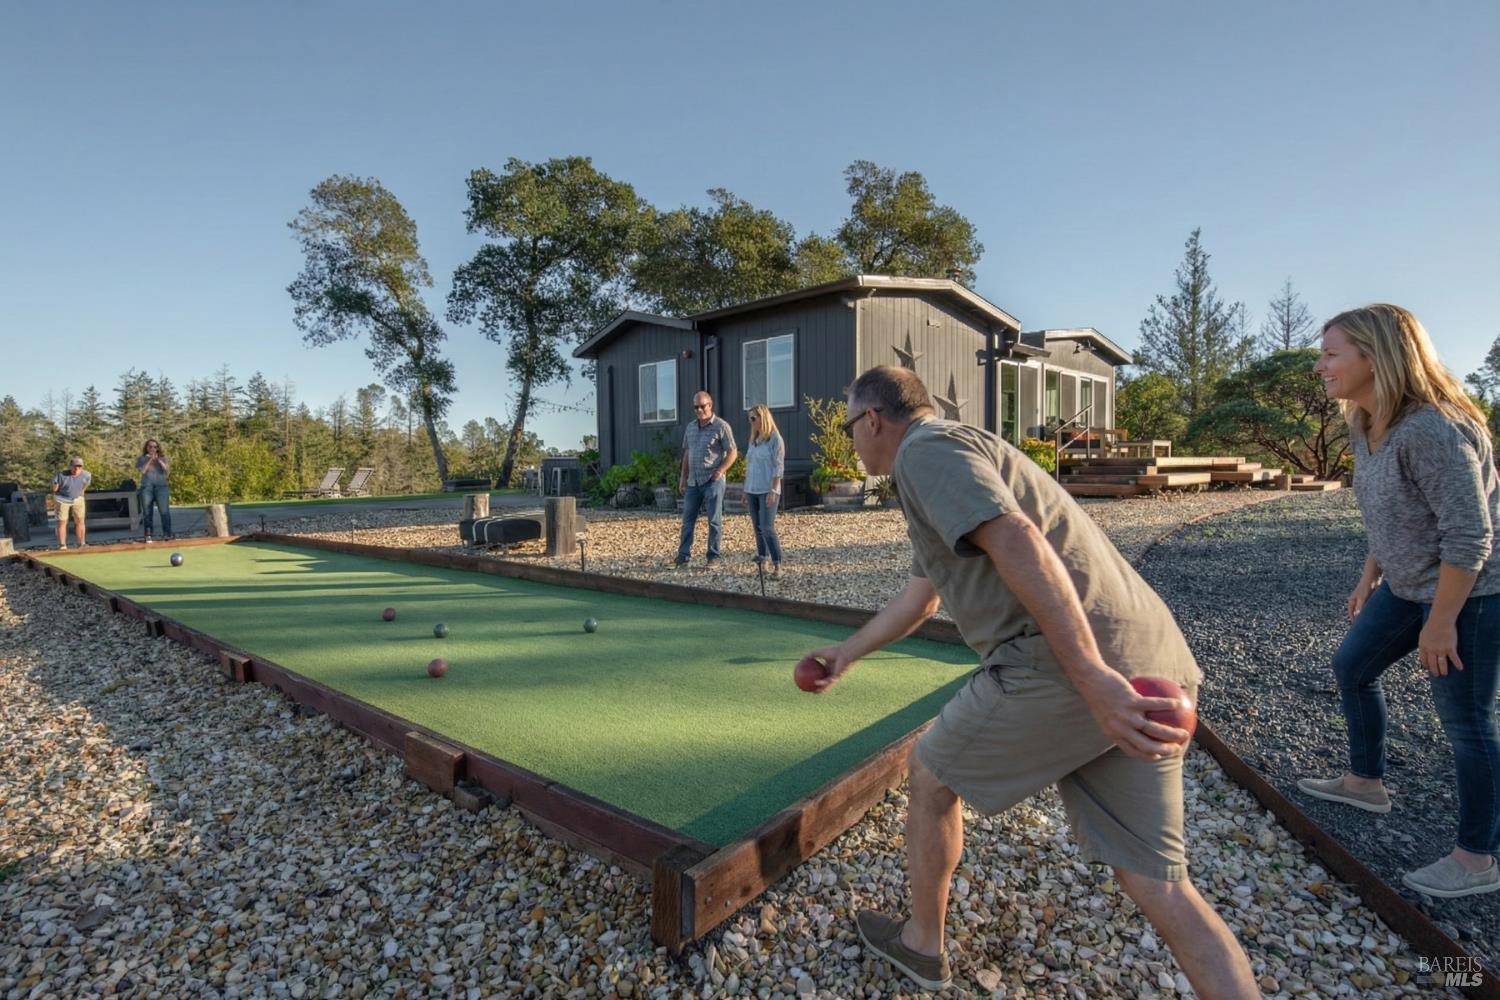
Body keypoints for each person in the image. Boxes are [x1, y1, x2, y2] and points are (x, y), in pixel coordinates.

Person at [801, 366, 1256, 997]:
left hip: (1067, 664)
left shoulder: (925, 453)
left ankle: (922, 946)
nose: (852, 442)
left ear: (873, 419)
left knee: (932, 775)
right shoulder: (961, 457)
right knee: (1160, 882)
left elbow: (1019, 541)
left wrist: (1092, 676)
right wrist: (847, 652)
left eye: (851, 427)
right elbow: (922, 599)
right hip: (1153, 657)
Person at [1297, 304, 1498, 898]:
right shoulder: (1366, 424)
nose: (1320, 365)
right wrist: (1369, 577)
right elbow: (1391, 515)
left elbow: (1471, 535)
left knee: (1468, 726)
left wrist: (1441, 625)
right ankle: (1365, 782)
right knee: (1352, 667)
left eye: (1331, 353)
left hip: (1473, 594)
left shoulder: (1432, 429)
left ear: (1374, 356)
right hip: (1406, 587)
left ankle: (1477, 859)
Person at [676, 391, 736, 568]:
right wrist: (683, 477)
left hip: (712, 480)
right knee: (687, 520)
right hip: (693, 482)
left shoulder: (721, 426)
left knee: (714, 520)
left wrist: (721, 470)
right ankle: (683, 555)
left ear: (710, 405)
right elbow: (687, 453)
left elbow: (733, 451)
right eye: (696, 407)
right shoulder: (691, 427)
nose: (700, 410)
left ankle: (713, 556)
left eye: (703, 406)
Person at [743, 404, 785, 575]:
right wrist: (745, 490)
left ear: (763, 418)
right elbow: (750, 466)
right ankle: (763, 561)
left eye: (754, 418)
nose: (751, 422)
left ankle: (778, 564)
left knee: (767, 527)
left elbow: (778, 466)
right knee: (757, 527)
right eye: (750, 419)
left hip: (767, 489)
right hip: (752, 489)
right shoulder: (754, 441)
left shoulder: (775, 439)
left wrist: (773, 490)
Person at [136, 438, 173, 542]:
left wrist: (159, 461)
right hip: (147, 488)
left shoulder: (163, 458)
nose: (152, 449)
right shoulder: (141, 458)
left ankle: (167, 533)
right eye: (150, 446)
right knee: (147, 512)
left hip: (161, 487)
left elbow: (167, 471)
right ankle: (148, 534)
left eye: (155, 447)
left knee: (164, 511)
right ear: (146, 448)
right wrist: (150, 460)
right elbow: (142, 471)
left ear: (158, 448)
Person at [51, 456, 91, 550]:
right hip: (62, 499)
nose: (77, 468)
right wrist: (55, 485)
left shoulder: (87, 475)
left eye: (79, 466)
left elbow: (85, 486)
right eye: (74, 466)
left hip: (77, 499)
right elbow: (54, 489)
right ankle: (62, 545)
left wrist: (80, 494)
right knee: (62, 521)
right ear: (70, 466)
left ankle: (81, 543)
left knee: (80, 520)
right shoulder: (61, 475)